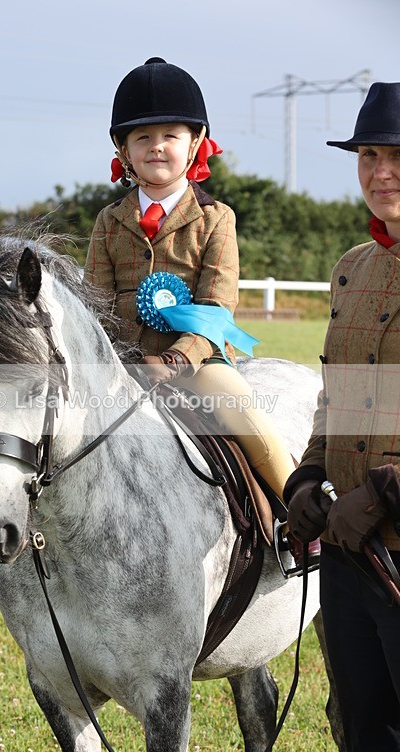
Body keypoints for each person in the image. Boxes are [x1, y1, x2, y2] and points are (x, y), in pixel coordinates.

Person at [85, 57, 300, 537]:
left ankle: (299, 517)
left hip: (197, 368)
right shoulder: (107, 221)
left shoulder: (216, 217)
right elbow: (94, 301)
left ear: (195, 143)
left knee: (247, 415)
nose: (156, 146)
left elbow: (217, 304)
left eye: (170, 136)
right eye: (142, 137)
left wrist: (179, 360)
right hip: (121, 365)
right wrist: (115, 358)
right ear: (123, 148)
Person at [285, 82, 400, 752]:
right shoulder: (351, 267)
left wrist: (385, 489)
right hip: (353, 551)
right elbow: (337, 391)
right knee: (365, 734)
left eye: (395, 155)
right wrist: (307, 473)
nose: (379, 170)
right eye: (367, 154)